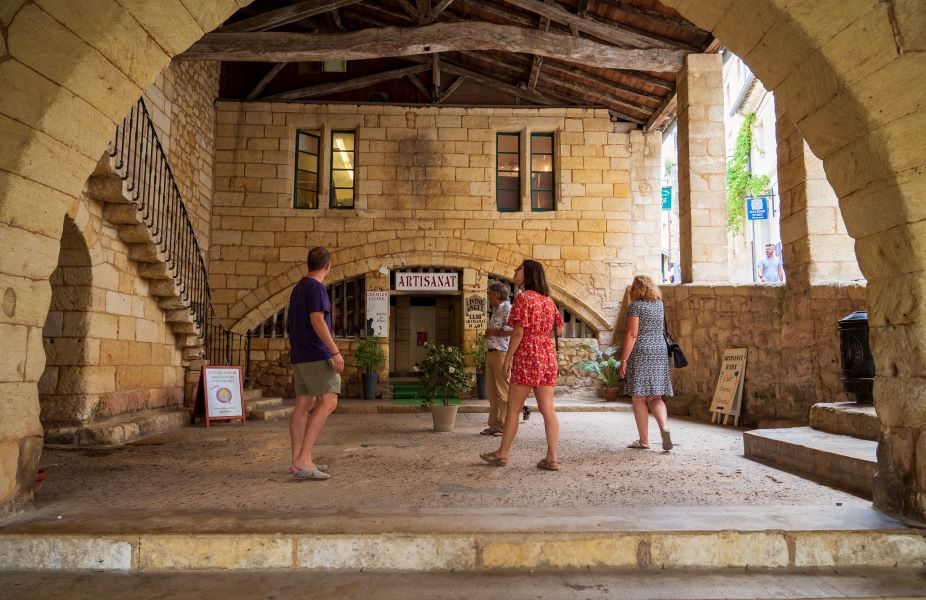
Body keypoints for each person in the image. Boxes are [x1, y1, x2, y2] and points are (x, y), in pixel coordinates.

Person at [480, 260, 564, 470]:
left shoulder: (524, 299)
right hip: (547, 355)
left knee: (513, 408)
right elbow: (560, 330)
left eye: (518, 268)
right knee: (548, 410)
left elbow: (517, 332)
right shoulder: (548, 301)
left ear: (527, 274)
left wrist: (508, 359)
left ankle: (502, 454)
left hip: (527, 354)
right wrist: (541, 335)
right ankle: (552, 458)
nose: (515, 271)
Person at [288, 247, 344, 480]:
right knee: (329, 401)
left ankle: (297, 461)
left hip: (300, 354)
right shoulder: (317, 288)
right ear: (328, 266)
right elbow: (317, 319)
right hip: (317, 354)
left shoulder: (298, 288)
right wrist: (335, 351)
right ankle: (304, 459)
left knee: (304, 404)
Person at [618, 275, 674, 451]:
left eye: (632, 288)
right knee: (655, 396)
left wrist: (624, 359)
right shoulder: (659, 305)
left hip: (642, 351)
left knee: (639, 398)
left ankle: (644, 441)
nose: (630, 292)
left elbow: (632, 334)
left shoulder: (635, 306)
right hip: (659, 350)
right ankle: (664, 428)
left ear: (639, 289)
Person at [481, 282, 512, 436]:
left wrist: (492, 331)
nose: (489, 296)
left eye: (490, 294)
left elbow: (511, 331)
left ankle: (505, 426)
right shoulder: (497, 310)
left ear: (497, 294)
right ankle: (494, 425)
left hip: (501, 353)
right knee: (492, 392)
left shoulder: (507, 308)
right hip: (492, 352)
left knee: (503, 391)